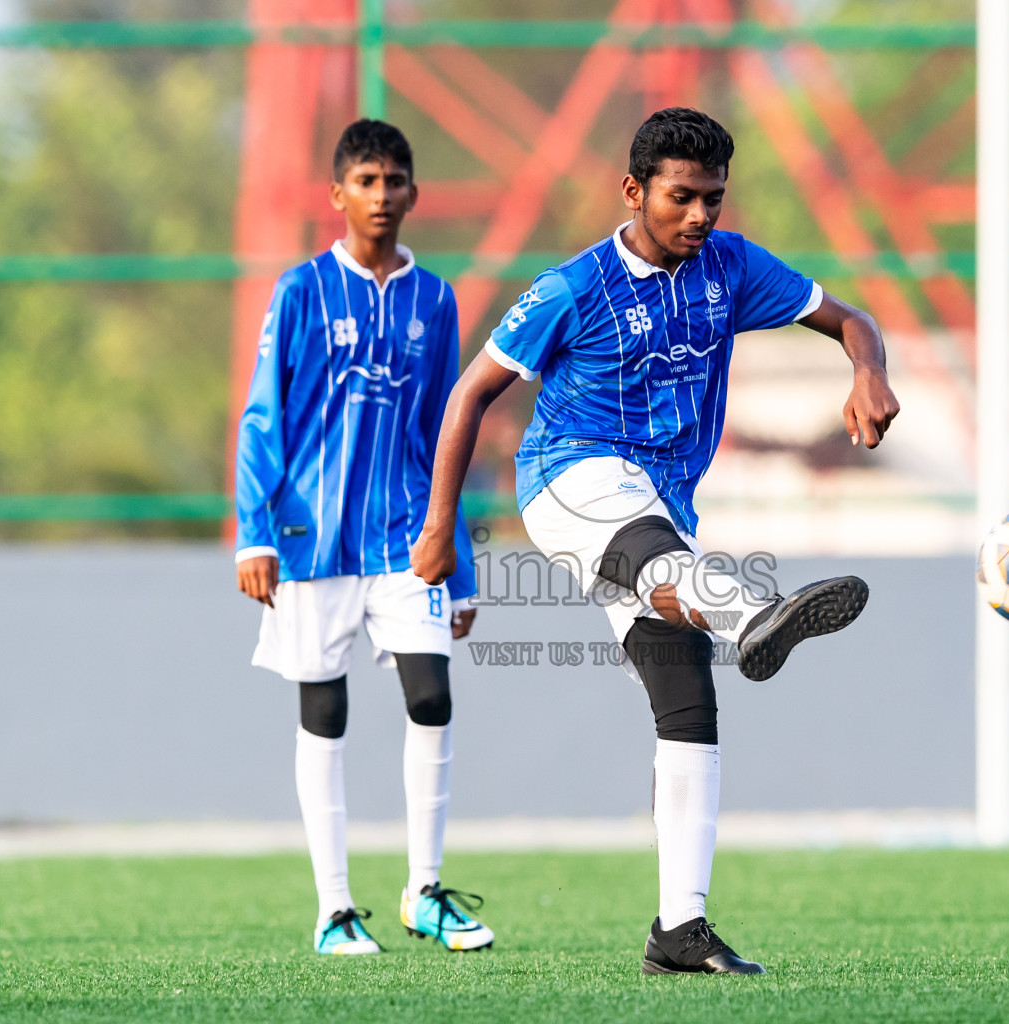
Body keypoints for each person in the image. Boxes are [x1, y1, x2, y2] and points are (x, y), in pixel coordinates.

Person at [410, 108, 900, 975]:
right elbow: (468, 396)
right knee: (660, 560)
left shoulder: (733, 268)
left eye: (713, 197)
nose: (701, 215)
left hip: (661, 509)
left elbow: (851, 319)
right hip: (569, 479)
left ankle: (679, 930)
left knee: (689, 713)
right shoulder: (573, 287)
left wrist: (868, 373)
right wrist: (441, 527)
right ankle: (751, 612)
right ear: (635, 191)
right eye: (682, 197)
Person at [234, 119, 493, 957]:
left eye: (396, 181)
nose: (382, 196)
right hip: (311, 540)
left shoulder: (436, 298)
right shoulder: (301, 291)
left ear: (416, 192)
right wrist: (254, 533)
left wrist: (458, 567)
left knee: (432, 697)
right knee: (325, 712)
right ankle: (335, 908)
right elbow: (263, 417)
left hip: (404, 540)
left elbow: (448, 429)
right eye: (367, 181)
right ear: (338, 194)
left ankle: (424, 891)